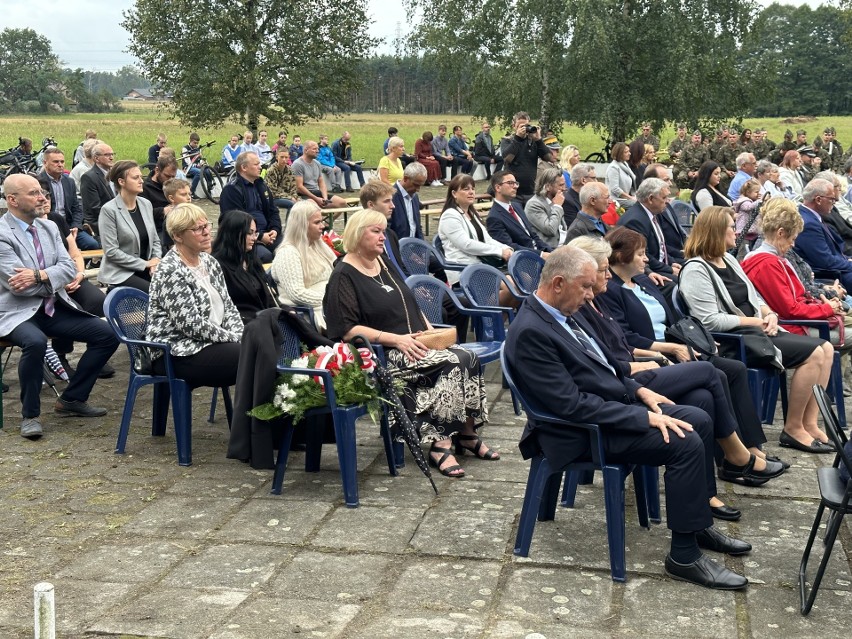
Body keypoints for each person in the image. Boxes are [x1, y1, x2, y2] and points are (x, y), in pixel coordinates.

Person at [504, 245, 751, 590]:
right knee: (685, 440)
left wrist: (638, 391)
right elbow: (570, 406)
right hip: (580, 433)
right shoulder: (533, 330)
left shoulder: (561, 312)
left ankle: (697, 525)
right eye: (586, 287)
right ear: (558, 283)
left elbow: (603, 366)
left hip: (608, 410)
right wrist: (643, 418)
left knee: (700, 417)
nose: (593, 294)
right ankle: (683, 556)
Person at [572, 234, 784, 505]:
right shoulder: (588, 303)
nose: (608, 275)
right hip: (628, 378)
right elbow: (606, 359)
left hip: (636, 368)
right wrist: (655, 357)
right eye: (603, 270)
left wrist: (678, 345)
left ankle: (707, 494)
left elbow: (631, 338)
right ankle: (737, 456)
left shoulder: (606, 296)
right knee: (710, 372)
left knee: (704, 397)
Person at [323, 208, 494, 477]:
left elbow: (408, 301)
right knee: (448, 363)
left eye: (384, 230)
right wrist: (398, 340)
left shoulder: (383, 262)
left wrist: (427, 328)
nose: (383, 237)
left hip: (413, 341)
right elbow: (346, 329)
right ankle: (441, 444)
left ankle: (467, 433)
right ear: (358, 234)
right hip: (381, 353)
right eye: (376, 231)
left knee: (467, 357)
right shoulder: (343, 274)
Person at [679, 206, 835, 454]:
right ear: (717, 231)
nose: (736, 230)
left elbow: (755, 298)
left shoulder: (729, 259)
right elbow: (709, 321)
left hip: (756, 332)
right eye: (732, 226)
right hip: (734, 341)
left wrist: (769, 314)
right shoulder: (696, 269)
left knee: (826, 348)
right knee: (815, 353)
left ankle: (809, 423)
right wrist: (756, 323)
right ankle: (793, 428)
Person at [0, 174, 118, 439]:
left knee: (108, 335)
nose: (42, 198)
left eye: (41, 192)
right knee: (35, 342)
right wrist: (49, 278)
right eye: (33, 194)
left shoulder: (49, 227)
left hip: (52, 306)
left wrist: (39, 275)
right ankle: (30, 415)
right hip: (16, 312)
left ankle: (72, 399)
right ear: (12, 200)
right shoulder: (1, 235)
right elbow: (18, 286)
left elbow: (68, 268)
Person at [147, 204, 242, 389]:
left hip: (209, 342)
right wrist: (233, 338)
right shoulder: (170, 270)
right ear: (177, 236)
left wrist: (239, 334)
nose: (207, 232)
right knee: (251, 355)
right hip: (177, 351)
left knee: (267, 344)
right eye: (198, 229)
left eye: (207, 225)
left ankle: (259, 414)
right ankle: (254, 416)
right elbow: (191, 325)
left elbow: (229, 306)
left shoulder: (209, 261)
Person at [742, 197, 851, 349]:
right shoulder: (768, 263)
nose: (793, 244)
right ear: (780, 233)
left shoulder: (774, 258)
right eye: (792, 239)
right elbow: (790, 309)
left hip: (803, 319)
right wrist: (827, 308)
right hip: (795, 326)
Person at [35, 188, 112, 378]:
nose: (45, 200)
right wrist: (61, 278)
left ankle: (94, 355)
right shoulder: (29, 226)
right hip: (51, 282)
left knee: (97, 300)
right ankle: (60, 355)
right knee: (71, 309)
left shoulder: (56, 219)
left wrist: (80, 273)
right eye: (39, 196)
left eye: (48, 196)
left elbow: (75, 253)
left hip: (72, 276)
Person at [271, 200, 337, 331]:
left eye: (321, 221)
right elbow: (297, 294)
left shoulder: (319, 246)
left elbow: (338, 272)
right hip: (310, 314)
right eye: (317, 222)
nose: (323, 226)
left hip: (331, 306)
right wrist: (335, 299)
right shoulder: (288, 253)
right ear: (302, 225)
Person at [98, 161, 161, 293]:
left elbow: (155, 239)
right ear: (121, 182)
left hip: (148, 268)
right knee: (156, 293)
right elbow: (111, 251)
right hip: (120, 272)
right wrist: (145, 264)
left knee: (172, 288)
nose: (141, 181)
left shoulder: (146, 204)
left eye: (140, 177)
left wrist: (155, 260)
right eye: (135, 177)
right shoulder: (109, 210)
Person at [438, 174, 513, 285]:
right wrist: (499, 252)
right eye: (466, 189)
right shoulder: (449, 216)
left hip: (480, 266)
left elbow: (488, 239)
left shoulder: (472, 213)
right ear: (454, 194)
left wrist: (507, 249)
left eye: (473, 189)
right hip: (463, 271)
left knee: (520, 280)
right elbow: (466, 244)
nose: (471, 192)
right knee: (511, 286)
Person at [211, 210, 275, 324]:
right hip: (243, 325)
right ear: (234, 233)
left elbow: (268, 296)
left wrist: (283, 309)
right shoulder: (218, 265)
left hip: (264, 319)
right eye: (249, 233)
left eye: (255, 233)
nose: (254, 238)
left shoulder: (251, 260)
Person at [218, 152, 282, 263]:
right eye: (256, 164)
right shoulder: (231, 190)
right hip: (245, 239)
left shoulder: (262, 186)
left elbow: (273, 211)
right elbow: (235, 223)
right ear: (244, 167)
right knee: (265, 257)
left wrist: (275, 230)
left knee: (292, 247)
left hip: (269, 234)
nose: (260, 167)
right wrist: (260, 236)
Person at [795, 178, 852, 291]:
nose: (835, 201)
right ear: (818, 200)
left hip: (837, 267)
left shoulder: (812, 216)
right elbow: (825, 261)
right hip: (829, 276)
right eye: (831, 199)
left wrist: (847, 259)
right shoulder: (808, 223)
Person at [37, 148, 99, 250]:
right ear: (45, 163)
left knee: (92, 244)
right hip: (48, 226)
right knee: (63, 246)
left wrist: (76, 226)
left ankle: (88, 265)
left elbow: (76, 208)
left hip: (69, 225)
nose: (60, 164)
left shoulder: (69, 181)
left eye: (62, 161)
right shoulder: (38, 182)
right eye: (56, 162)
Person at [616, 178, 679, 278]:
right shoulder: (636, 221)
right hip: (645, 272)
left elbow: (661, 247)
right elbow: (645, 255)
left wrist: (671, 262)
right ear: (650, 199)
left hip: (659, 265)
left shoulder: (653, 213)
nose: (667, 201)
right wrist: (670, 270)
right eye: (664, 198)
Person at [486, 170, 553, 257]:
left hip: (540, 252)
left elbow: (533, 235)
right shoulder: (493, 218)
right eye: (510, 183)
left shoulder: (517, 206)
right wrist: (541, 255)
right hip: (524, 260)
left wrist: (550, 251)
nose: (515, 186)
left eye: (516, 183)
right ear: (498, 188)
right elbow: (509, 247)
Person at [499, 112, 554, 204]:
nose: (524, 128)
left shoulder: (533, 142)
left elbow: (549, 158)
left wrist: (538, 140)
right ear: (514, 126)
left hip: (530, 190)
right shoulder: (508, 140)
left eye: (527, 125)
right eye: (521, 126)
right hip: (513, 191)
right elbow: (508, 159)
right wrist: (518, 138)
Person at [291, 141, 348, 211]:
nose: (317, 151)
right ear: (306, 150)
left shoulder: (317, 163)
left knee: (342, 203)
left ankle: (326, 222)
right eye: (314, 149)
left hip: (316, 192)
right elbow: (299, 187)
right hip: (304, 194)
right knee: (314, 207)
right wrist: (316, 199)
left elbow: (321, 182)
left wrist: (325, 198)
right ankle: (315, 221)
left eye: (318, 149)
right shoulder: (297, 164)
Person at [525, 166, 567, 248]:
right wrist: (557, 206)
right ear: (547, 187)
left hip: (563, 247)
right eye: (561, 185)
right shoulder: (534, 204)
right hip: (548, 250)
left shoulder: (556, 199)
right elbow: (550, 230)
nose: (564, 188)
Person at [79, 142, 116, 234]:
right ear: (96, 158)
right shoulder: (89, 177)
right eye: (107, 155)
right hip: (100, 222)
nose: (111, 157)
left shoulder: (116, 175)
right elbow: (94, 208)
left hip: (116, 218)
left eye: (112, 154)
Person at [141, 155, 179, 243]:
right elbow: (141, 214)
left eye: (173, 177)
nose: (170, 180)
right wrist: (163, 211)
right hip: (157, 231)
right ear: (157, 170)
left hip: (175, 227)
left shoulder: (173, 186)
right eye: (167, 176)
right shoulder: (144, 188)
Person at [390, 162, 427, 240]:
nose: (418, 190)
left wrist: (422, 247)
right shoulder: (390, 197)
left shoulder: (415, 197)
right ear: (406, 178)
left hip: (414, 247)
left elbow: (417, 226)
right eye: (416, 185)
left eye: (420, 186)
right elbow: (387, 230)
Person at [265, 148, 297, 216]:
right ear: (277, 157)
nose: (284, 159)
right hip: (272, 198)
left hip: (287, 196)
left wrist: (294, 197)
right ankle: (289, 225)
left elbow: (293, 187)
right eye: (282, 157)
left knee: (305, 204)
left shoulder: (290, 170)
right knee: (291, 204)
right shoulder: (271, 171)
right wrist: (290, 197)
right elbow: (272, 192)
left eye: (286, 157)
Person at [562, 163, 596, 228]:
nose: (596, 181)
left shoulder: (586, 198)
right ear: (583, 180)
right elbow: (576, 229)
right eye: (593, 178)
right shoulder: (568, 202)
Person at [605, 142, 636, 208]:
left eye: (629, 151)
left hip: (626, 198)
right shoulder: (613, 168)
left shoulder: (625, 164)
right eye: (626, 152)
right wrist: (630, 197)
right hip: (617, 200)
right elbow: (615, 189)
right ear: (619, 154)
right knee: (639, 206)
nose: (629, 153)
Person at [181, 132, 205, 198]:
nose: (196, 145)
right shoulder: (185, 149)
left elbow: (200, 159)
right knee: (198, 172)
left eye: (197, 143)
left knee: (207, 170)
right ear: (190, 141)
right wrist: (197, 166)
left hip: (197, 166)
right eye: (195, 143)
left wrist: (202, 162)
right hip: (188, 167)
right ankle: (191, 191)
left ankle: (209, 189)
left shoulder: (198, 148)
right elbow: (188, 162)